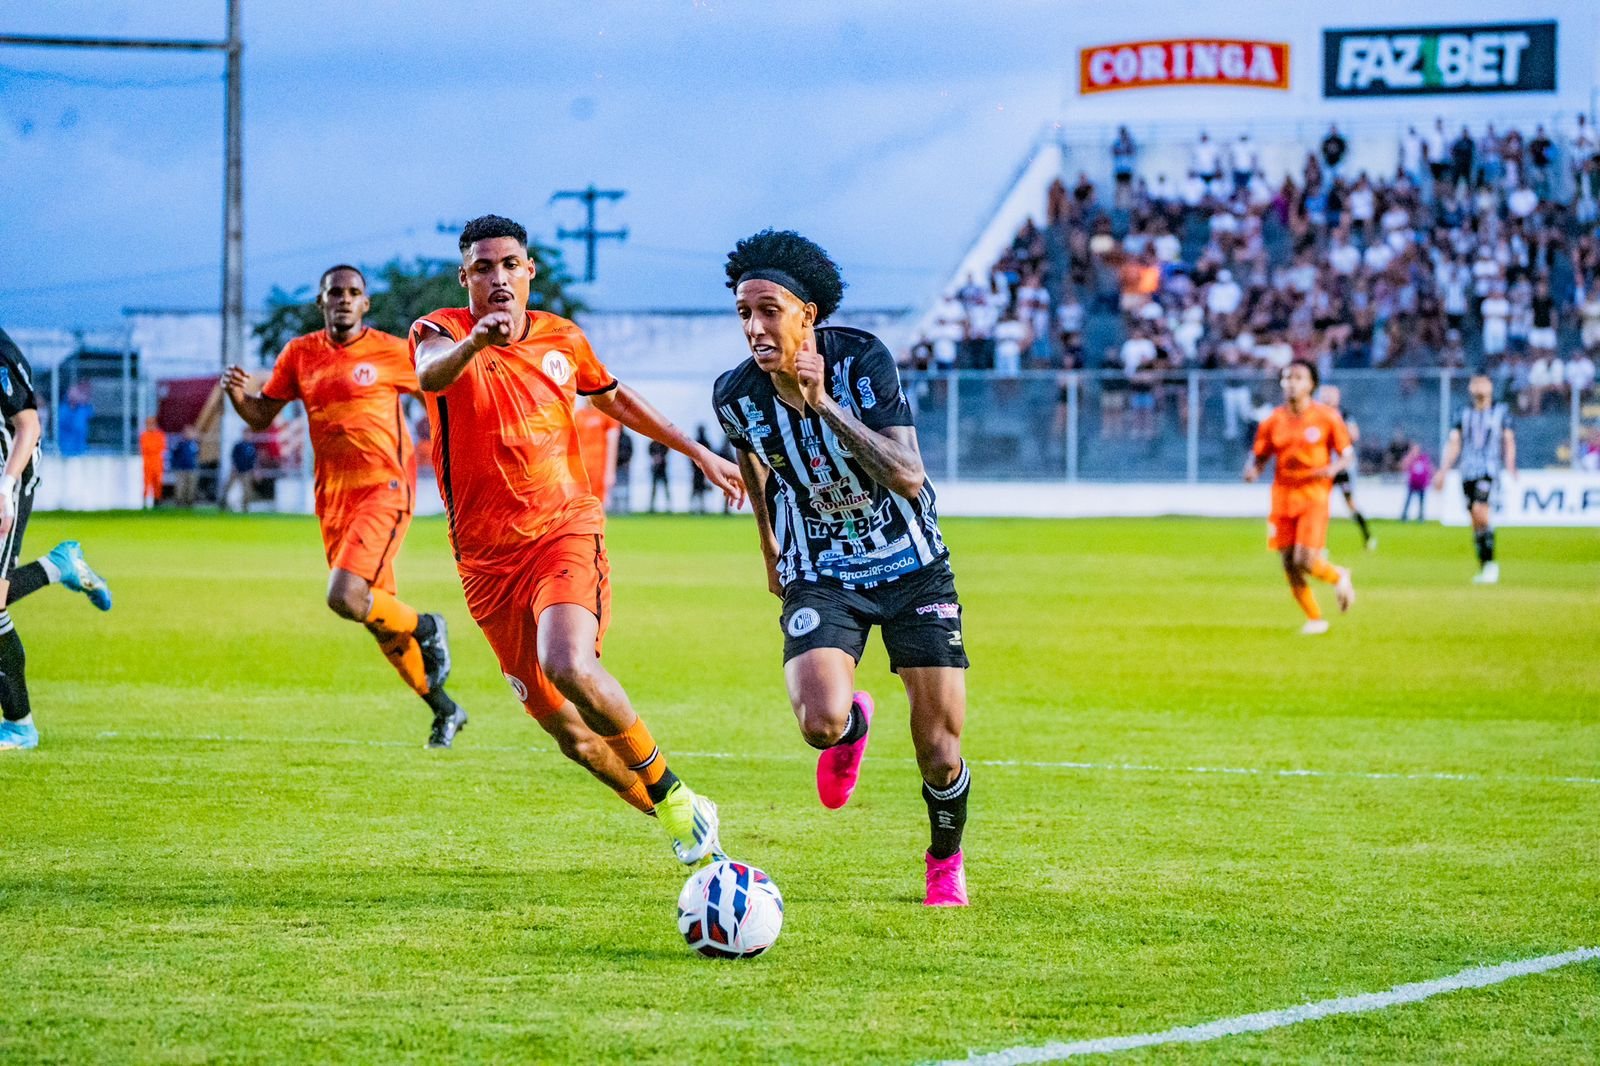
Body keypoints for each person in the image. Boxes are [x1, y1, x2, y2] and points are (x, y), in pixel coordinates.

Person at [410, 213, 744, 867]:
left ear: (529, 271)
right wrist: (475, 342)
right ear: (464, 278)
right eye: (483, 267)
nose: (498, 277)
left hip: (564, 531)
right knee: (574, 737)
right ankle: (684, 822)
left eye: (510, 264)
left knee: (567, 662)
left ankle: (674, 794)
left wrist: (698, 451)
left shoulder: (563, 337)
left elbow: (613, 397)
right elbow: (430, 374)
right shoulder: (440, 330)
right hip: (485, 564)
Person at [713, 229, 973, 907]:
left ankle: (944, 860)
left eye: (769, 310)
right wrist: (768, 546)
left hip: (913, 566)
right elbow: (751, 459)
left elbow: (909, 476)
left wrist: (824, 404)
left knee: (940, 751)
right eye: (744, 313)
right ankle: (854, 723)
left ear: (808, 315)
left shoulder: (861, 361)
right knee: (819, 723)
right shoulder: (735, 395)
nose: (755, 327)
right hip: (822, 569)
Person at [222, 265, 468, 748]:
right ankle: (444, 709)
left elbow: (442, 387)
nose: (344, 299)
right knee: (375, 615)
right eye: (335, 292)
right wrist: (236, 396)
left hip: (384, 490)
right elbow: (260, 415)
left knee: (344, 596)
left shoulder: (392, 351)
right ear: (322, 302)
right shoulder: (300, 354)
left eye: (354, 292)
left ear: (365, 304)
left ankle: (428, 626)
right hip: (333, 500)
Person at [0, 328, 116, 751]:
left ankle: (19, 725)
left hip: (9, 476)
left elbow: (28, 425)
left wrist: (6, 487)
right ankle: (58, 566)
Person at [1243, 360, 1357, 635]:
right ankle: (1316, 619)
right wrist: (1253, 471)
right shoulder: (1272, 420)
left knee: (1304, 559)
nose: (1291, 383)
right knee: (1288, 562)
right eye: (1287, 378)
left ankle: (1338, 576)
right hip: (1282, 495)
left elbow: (1347, 455)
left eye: (1298, 378)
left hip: (1314, 494)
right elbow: (1260, 455)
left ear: (1311, 384)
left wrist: (1333, 468)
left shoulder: (1327, 417)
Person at [1434, 373, 1517, 584]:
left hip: (1488, 470)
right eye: (1475, 383)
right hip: (1467, 471)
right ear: (1470, 387)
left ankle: (1491, 565)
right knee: (1474, 519)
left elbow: (1508, 440)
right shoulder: (1462, 413)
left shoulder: (1501, 411)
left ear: (1490, 386)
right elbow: (1454, 443)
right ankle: (1484, 565)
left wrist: (1510, 464)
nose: (1479, 387)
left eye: (1483, 383)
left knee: (1481, 511)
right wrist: (1443, 470)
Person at [1316, 385, 1375, 551]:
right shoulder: (1317, 416)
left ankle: (1368, 536)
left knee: (1350, 503)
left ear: (1338, 398)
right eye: (1325, 395)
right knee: (1319, 504)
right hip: (1324, 467)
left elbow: (1355, 435)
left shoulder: (1344, 416)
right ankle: (1318, 544)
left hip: (1342, 467)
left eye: (1331, 395)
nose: (1327, 398)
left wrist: (1338, 431)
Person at [221, 433, 258, 512]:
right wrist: (234, 467)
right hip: (236, 470)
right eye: (247, 434)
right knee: (228, 487)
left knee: (247, 490)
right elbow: (233, 457)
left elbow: (254, 459)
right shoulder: (238, 445)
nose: (248, 436)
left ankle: (245, 507)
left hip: (247, 471)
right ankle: (222, 504)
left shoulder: (252, 446)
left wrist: (254, 470)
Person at [139, 416, 167, 508]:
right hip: (148, 463)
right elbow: (145, 448)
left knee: (158, 483)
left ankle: (157, 502)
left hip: (157, 463)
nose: (150, 426)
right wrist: (153, 449)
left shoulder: (160, 435)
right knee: (146, 483)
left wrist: (152, 449)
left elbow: (161, 447)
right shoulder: (144, 435)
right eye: (148, 424)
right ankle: (145, 503)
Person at [1401, 445, 1432, 522]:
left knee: (1421, 502)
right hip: (1412, 483)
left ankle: (1421, 517)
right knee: (1408, 501)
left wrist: (1429, 480)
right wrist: (1411, 458)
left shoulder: (1424, 459)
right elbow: (1404, 466)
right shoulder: (1410, 458)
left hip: (1422, 484)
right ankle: (1404, 516)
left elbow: (1429, 469)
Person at [170, 426, 200, 507]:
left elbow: (197, 455)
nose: (188, 434)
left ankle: (189, 502)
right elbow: (174, 455)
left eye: (190, 432)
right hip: (181, 468)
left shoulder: (194, 443)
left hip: (192, 468)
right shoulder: (180, 444)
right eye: (187, 432)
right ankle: (179, 502)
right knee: (180, 486)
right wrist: (175, 465)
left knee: (191, 486)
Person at [689, 425, 713, 513]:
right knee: (697, 490)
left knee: (698, 490)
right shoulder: (703, 443)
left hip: (701, 471)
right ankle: (696, 507)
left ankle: (698, 507)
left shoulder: (696, 442)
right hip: (700, 470)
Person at [610, 429, 633, 514]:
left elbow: (630, 451)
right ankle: (615, 508)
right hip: (615, 465)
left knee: (624, 488)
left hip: (624, 466)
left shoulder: (626, 438)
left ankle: (624, 508)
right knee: (614, 488)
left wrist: (627, 462)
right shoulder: (615, 437)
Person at [647, 439, 670, 511]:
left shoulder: (663, 444)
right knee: (654, 489)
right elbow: (650, 452)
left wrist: (661, 457)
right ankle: (652, 506)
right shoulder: (652, 444)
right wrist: (655, 458)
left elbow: (667, 451)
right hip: (655, 468)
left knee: (666, 488)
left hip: (662, 468)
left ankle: (669, 506)